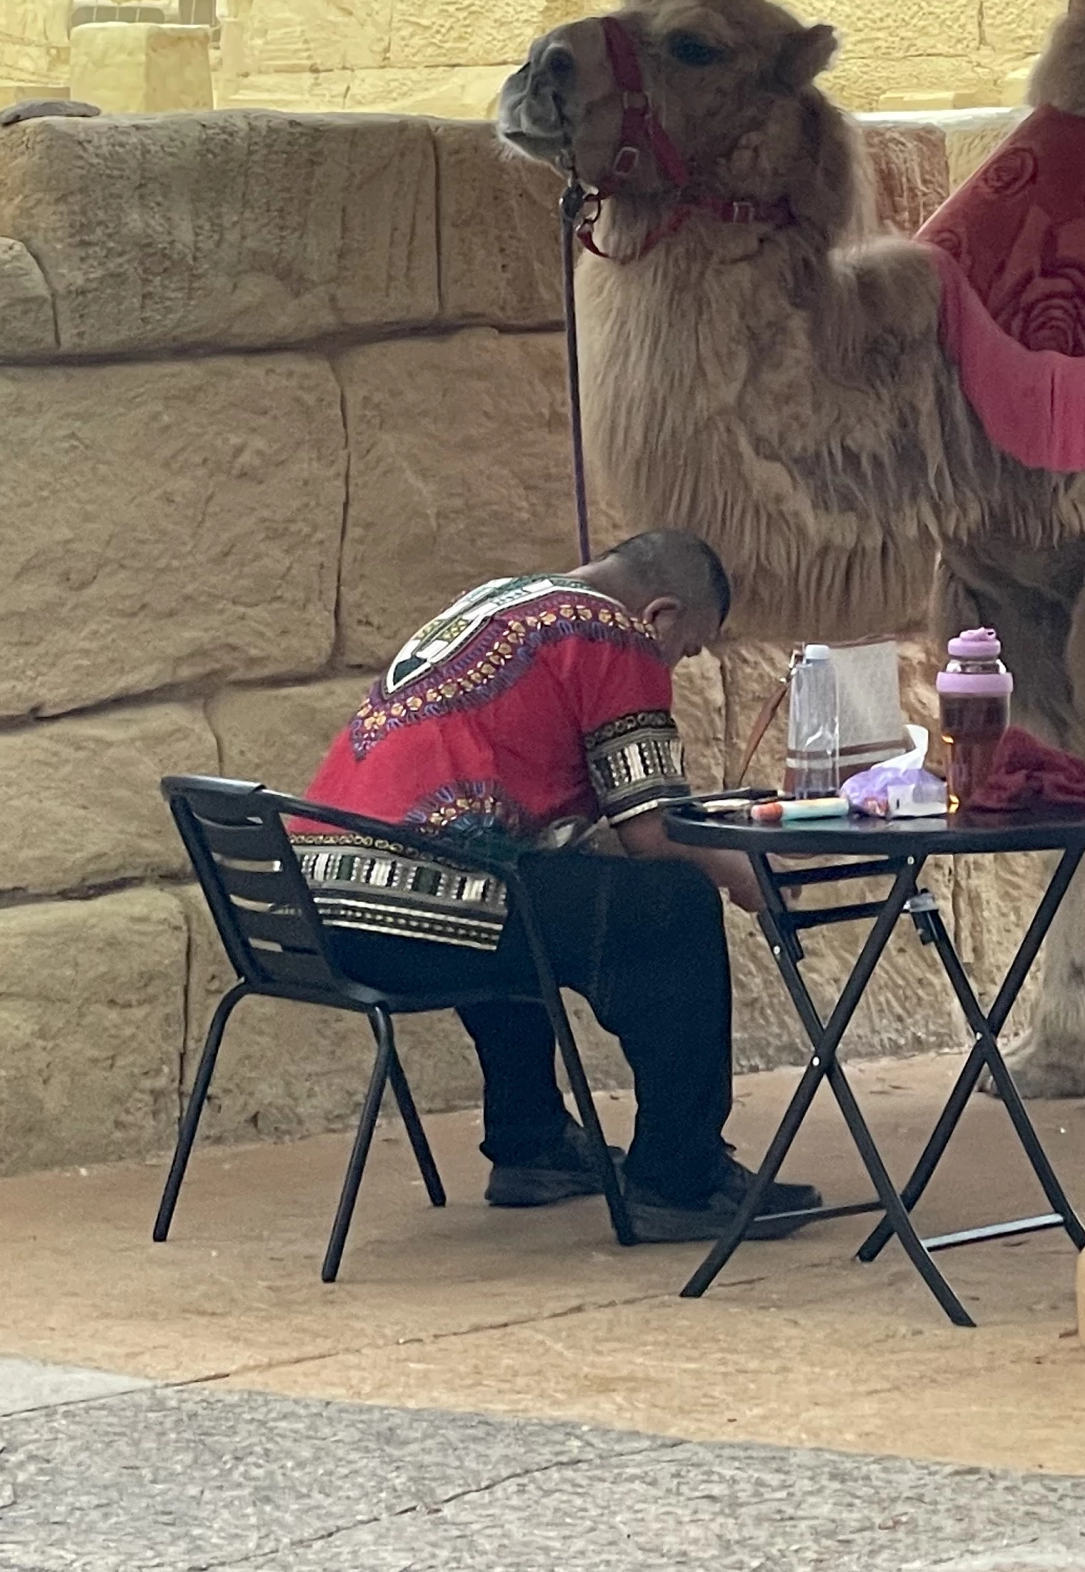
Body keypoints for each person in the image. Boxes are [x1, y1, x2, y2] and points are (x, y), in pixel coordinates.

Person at [291, 530, 823, 1243]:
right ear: (661, 615)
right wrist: (743, 876)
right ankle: (680, 1178)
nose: (677, 661)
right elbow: (651, 833)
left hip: (319, 914)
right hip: (416, 912)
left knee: (527, 887)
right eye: (688, 647)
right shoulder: (615, 633)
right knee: (673, 908)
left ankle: (531, 1143)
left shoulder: (495, 602)